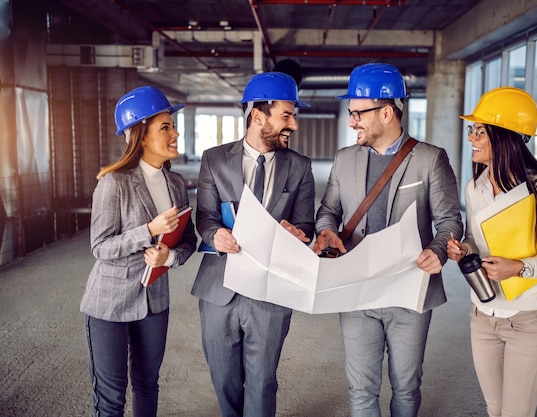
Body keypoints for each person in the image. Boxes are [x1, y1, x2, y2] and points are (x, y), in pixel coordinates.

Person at [313, 63, 463, 417]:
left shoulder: (429, 159)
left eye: (357, 114)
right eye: (350, 114)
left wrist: (439, 248)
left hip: (408, 290)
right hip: (356, 288)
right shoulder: (343, 159)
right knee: (361, 390)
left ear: (385, 112)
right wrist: (326, 231)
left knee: (406, 388)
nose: (352, 122)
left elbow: (450, 220)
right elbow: (327, 211)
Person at [191, 72, 315, 417]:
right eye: (286, 116)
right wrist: (214, 235)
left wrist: (300, 234)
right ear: (258, 116)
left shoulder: (300, 167)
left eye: (294, 116)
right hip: (220, 287)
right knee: (224, 376)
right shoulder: (214, 159)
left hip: (271, 289)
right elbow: (205, 217)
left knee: (262, 380)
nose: (294, 124)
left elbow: (307, 225)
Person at [447, 86, 537, 417]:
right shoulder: (474, 188)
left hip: (529, 321)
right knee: (494, 409)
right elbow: (480, 240)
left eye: (480, 131)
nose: (471, 138)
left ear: (504, 137)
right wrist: (465, 249)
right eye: (472, 130)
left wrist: (519, 267)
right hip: (482, 315)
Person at [80, 86, 197, 417]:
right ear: (141, 136)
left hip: (155, 301)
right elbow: (100, 246)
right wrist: (147, 231)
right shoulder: (113, 183)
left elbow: (188, 237)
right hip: (108, 305)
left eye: (173, 126)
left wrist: (169, 258)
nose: (175, 133)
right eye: (165, 127)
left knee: (148, 384)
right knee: (111, 396)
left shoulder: (175, 184)